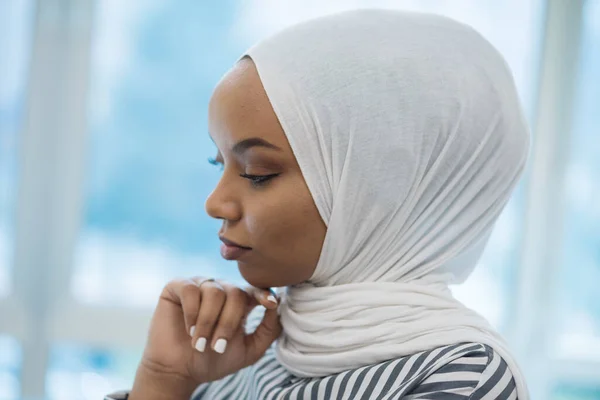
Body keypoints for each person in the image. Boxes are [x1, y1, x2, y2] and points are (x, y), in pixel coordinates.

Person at [106, 9, 530, 400]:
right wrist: (164, 379)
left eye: (257, 173)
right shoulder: (243, 352)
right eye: (219, 164)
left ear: (373, 192)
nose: (215, 203)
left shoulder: (461, 378)